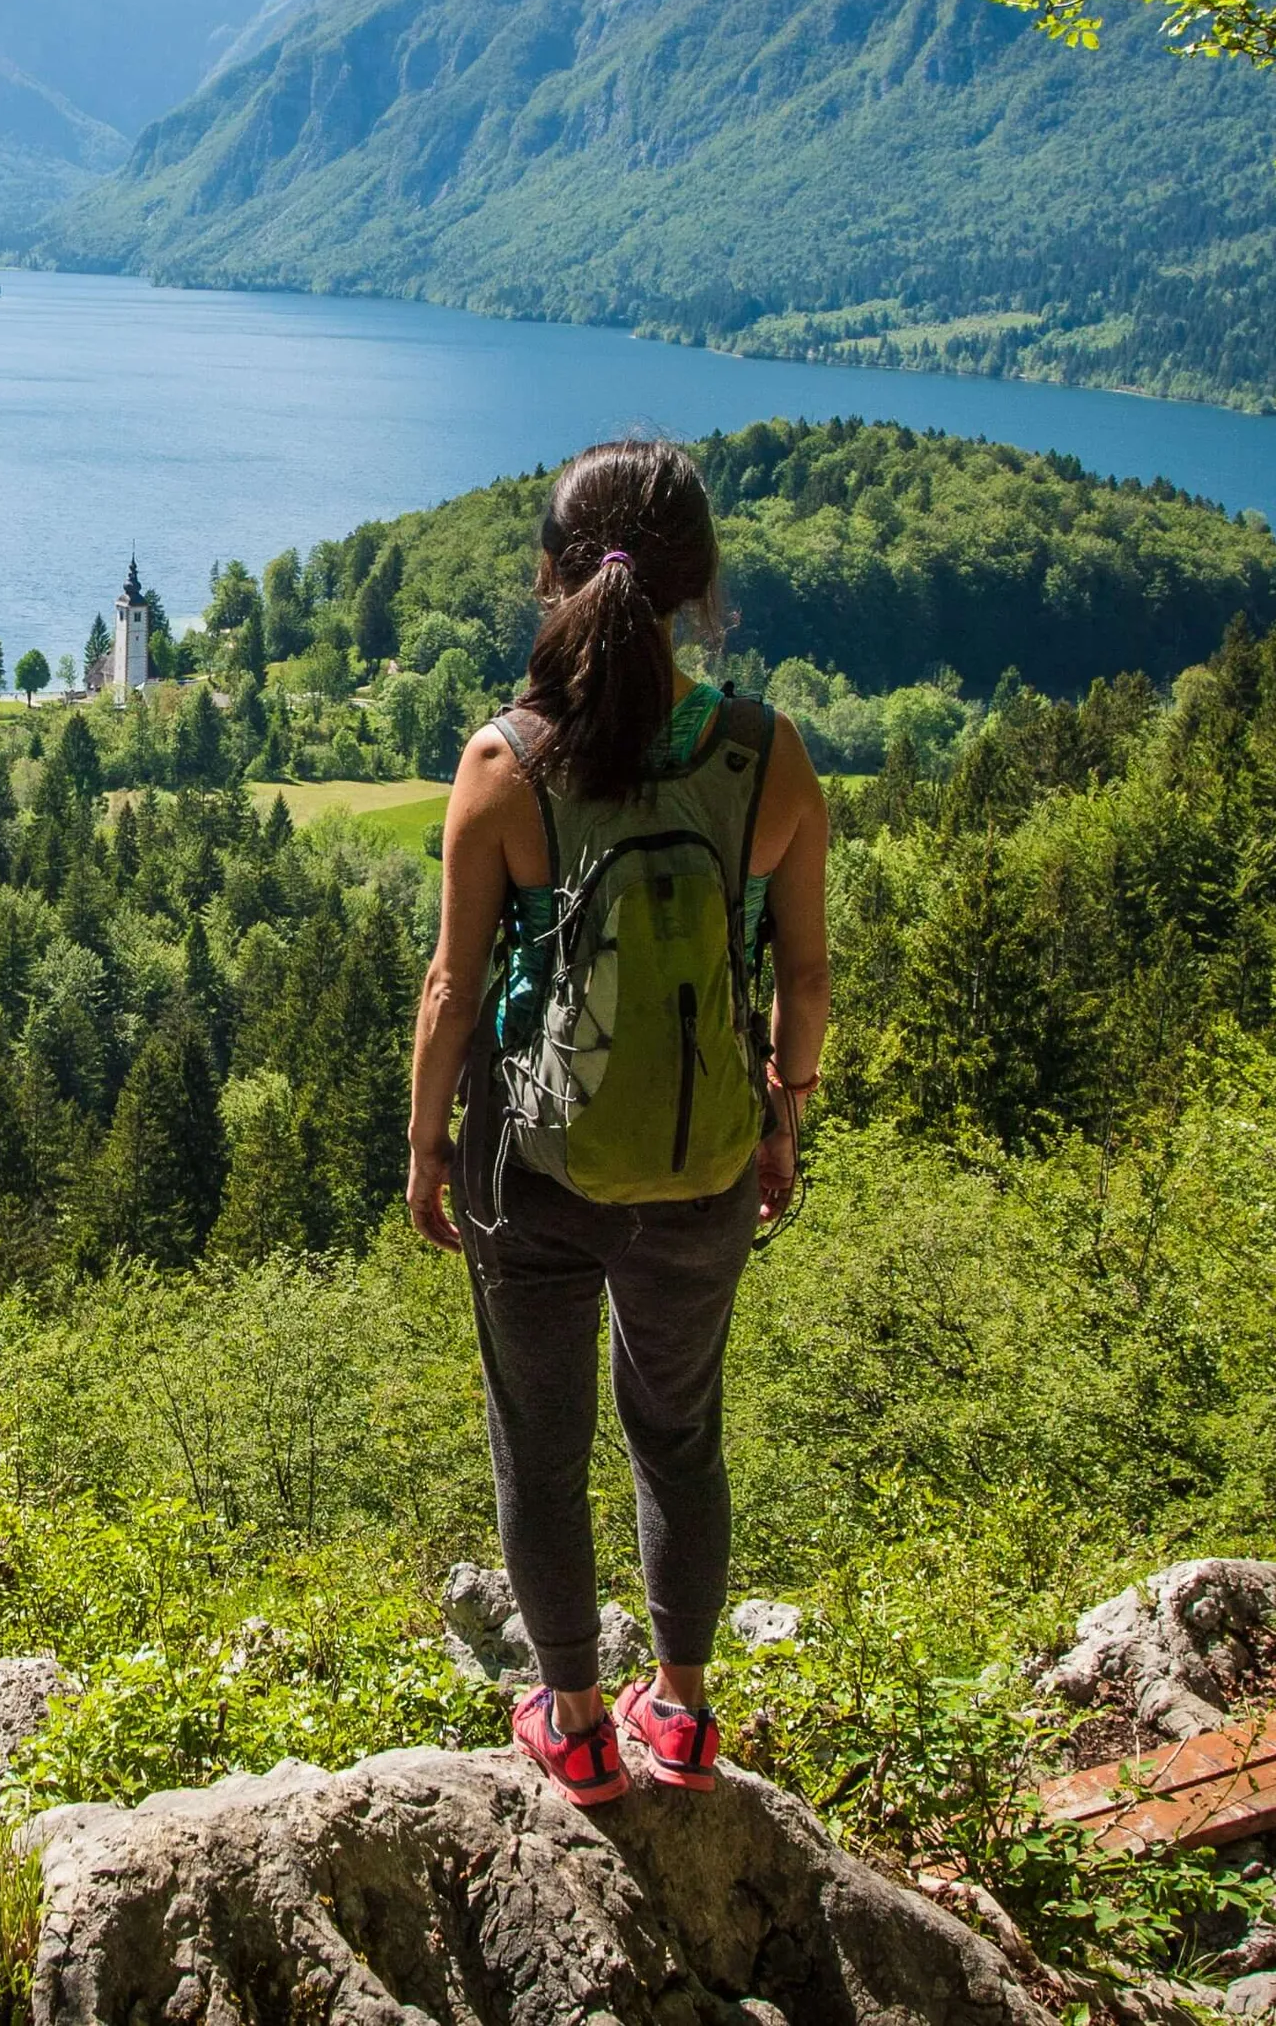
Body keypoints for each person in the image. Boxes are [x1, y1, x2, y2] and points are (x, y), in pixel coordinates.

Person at [406, 438, 830, 1804]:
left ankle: (577, 1723)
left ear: (550, 578)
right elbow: (805, 975)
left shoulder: (505, 761)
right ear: (702, 587)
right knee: (680, 1429)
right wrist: (781, 1115)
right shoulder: (766, 755)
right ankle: (687, 1716)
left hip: (531, 1168)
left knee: (540, 1437)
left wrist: (426, 1148)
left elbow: (453, 990)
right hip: (703, 1159)